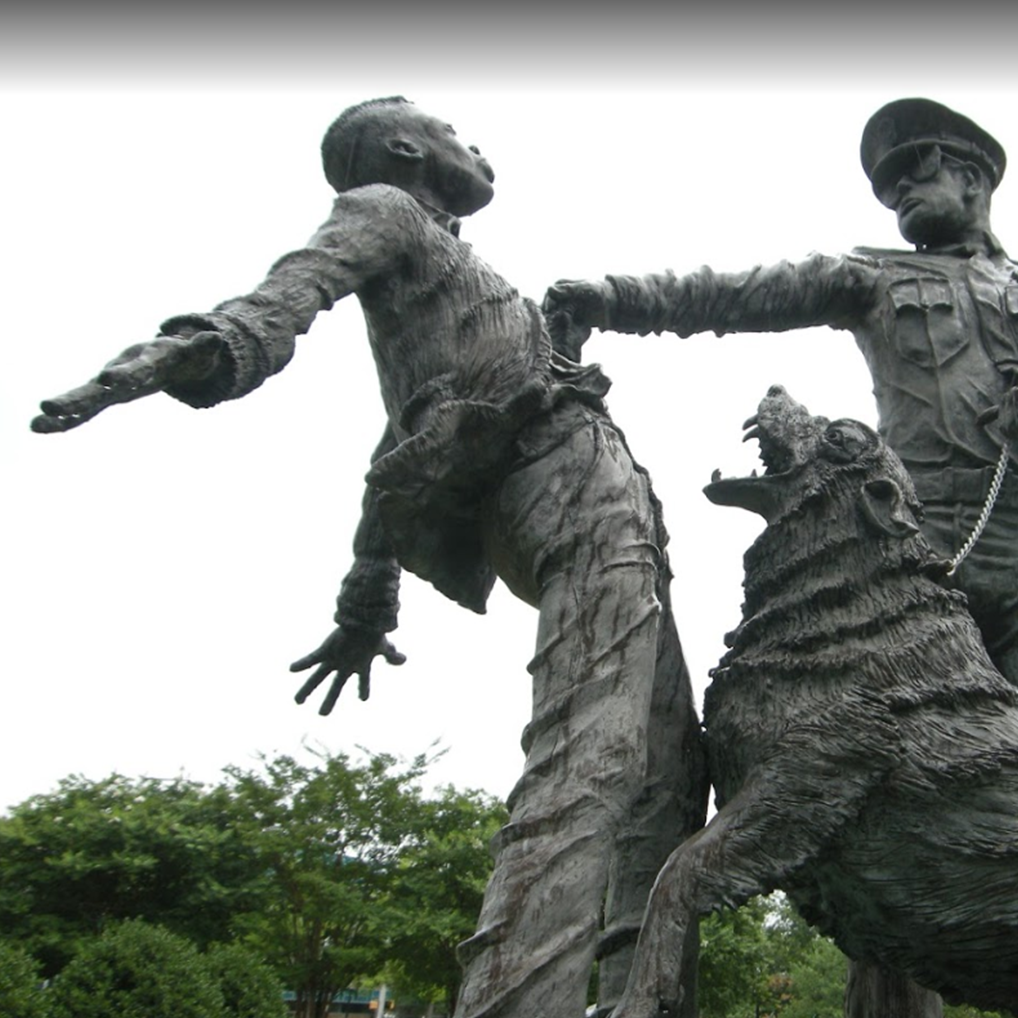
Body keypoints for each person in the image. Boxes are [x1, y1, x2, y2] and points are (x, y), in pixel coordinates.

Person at [32, 97, 707, 1018]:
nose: (475, 143)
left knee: (669, 771)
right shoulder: (384, 210)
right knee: (596, 751)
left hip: (592, 485)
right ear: (403, 149)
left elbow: (404, 430)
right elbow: (290, 293)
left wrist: (366, 596)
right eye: (453, 130)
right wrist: (191, 354)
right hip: (559, 480)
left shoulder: (449, 270)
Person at [545, 95, 1018, 1017]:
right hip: (920, 576)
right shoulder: (872, 276)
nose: (901, 192)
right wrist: (616, 299)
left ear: (975, 176)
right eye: (889, 184)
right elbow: (742, 292)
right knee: (882, 818)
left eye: (919, 170)